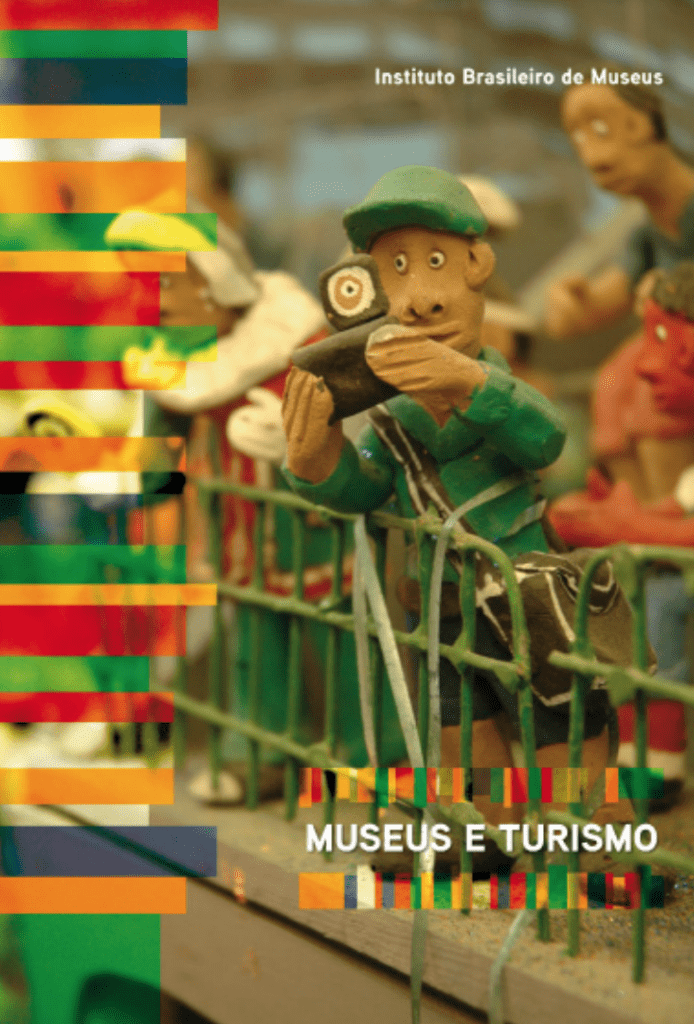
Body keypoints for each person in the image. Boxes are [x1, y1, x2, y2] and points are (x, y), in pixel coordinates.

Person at [282, 165, 630, 870]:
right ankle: (484, 829)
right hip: (443, 602)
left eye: (435, 263)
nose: (418, 298)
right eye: (396, 270)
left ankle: (590, 826)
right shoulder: (393, 417)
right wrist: (316, 460)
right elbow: (366, 489)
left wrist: (470, 385)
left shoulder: (500, 385)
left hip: (526, 588)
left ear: (477, 265)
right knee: (461, 725)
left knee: (561, 714)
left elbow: (544, 439)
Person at [106, 202, 407, 800]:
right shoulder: (177, 359)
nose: (156, 300)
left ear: (215, 283)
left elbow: (364, 415)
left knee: (340, 636)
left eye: (167, 282)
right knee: (252, 640)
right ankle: (263, 751)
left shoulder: (295, 338)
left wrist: (306, 433)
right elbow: (160, 449)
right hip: (237, 522)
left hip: (311, 521)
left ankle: (380, 754)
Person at [544, 81, 694, 801]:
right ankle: (651, 520)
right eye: (578, 137)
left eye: (601, 128)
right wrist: (573, 299)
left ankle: (655, 522)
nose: (589, 150)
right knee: (619, 382)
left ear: (644, 123)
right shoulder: (645, 230)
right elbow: (593, 307)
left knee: (638, 387)